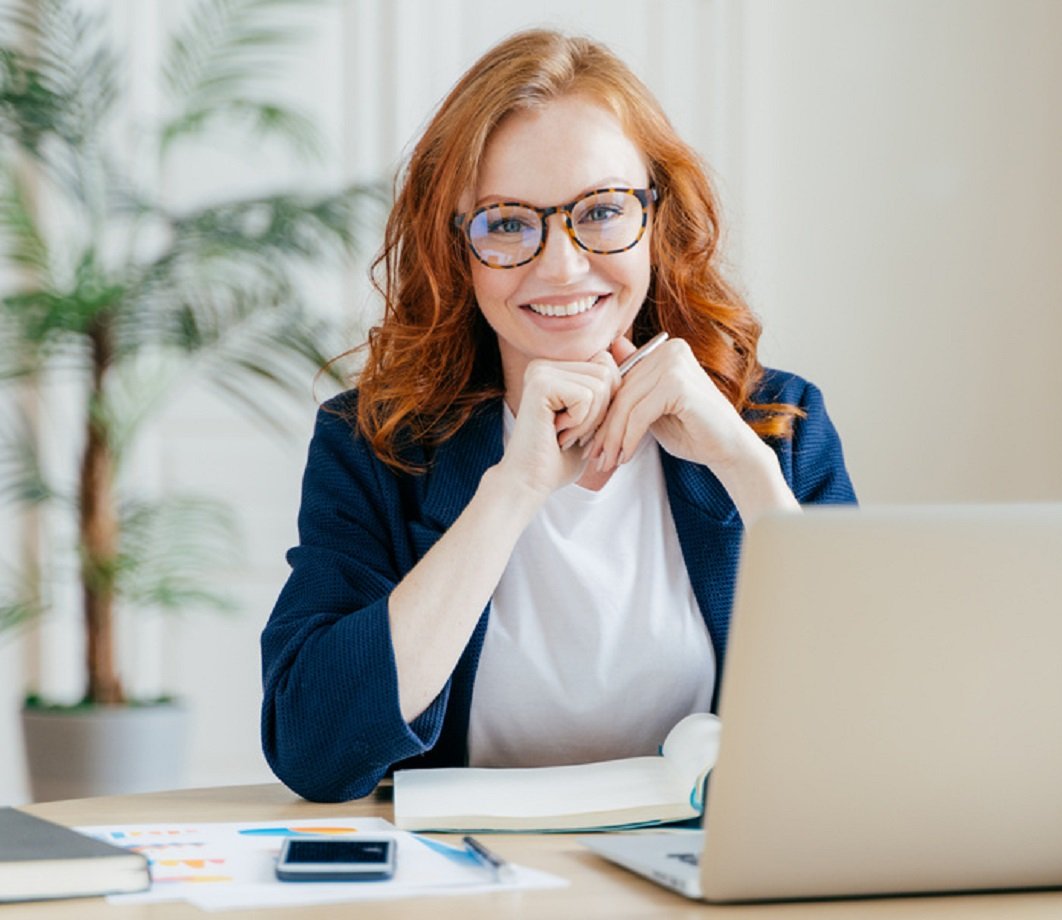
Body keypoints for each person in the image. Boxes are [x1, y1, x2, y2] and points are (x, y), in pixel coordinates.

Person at [260, 28, 856, 803]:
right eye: (508, 223)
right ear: (457, 249)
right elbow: (315, 750)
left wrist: (745, 466)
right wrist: (511, 492)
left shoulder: (779, 422)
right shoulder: (373, 444)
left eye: (602, 211)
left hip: (700, 875)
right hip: (465, 879)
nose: (562, 264)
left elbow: (871, 719)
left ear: (658, 216)